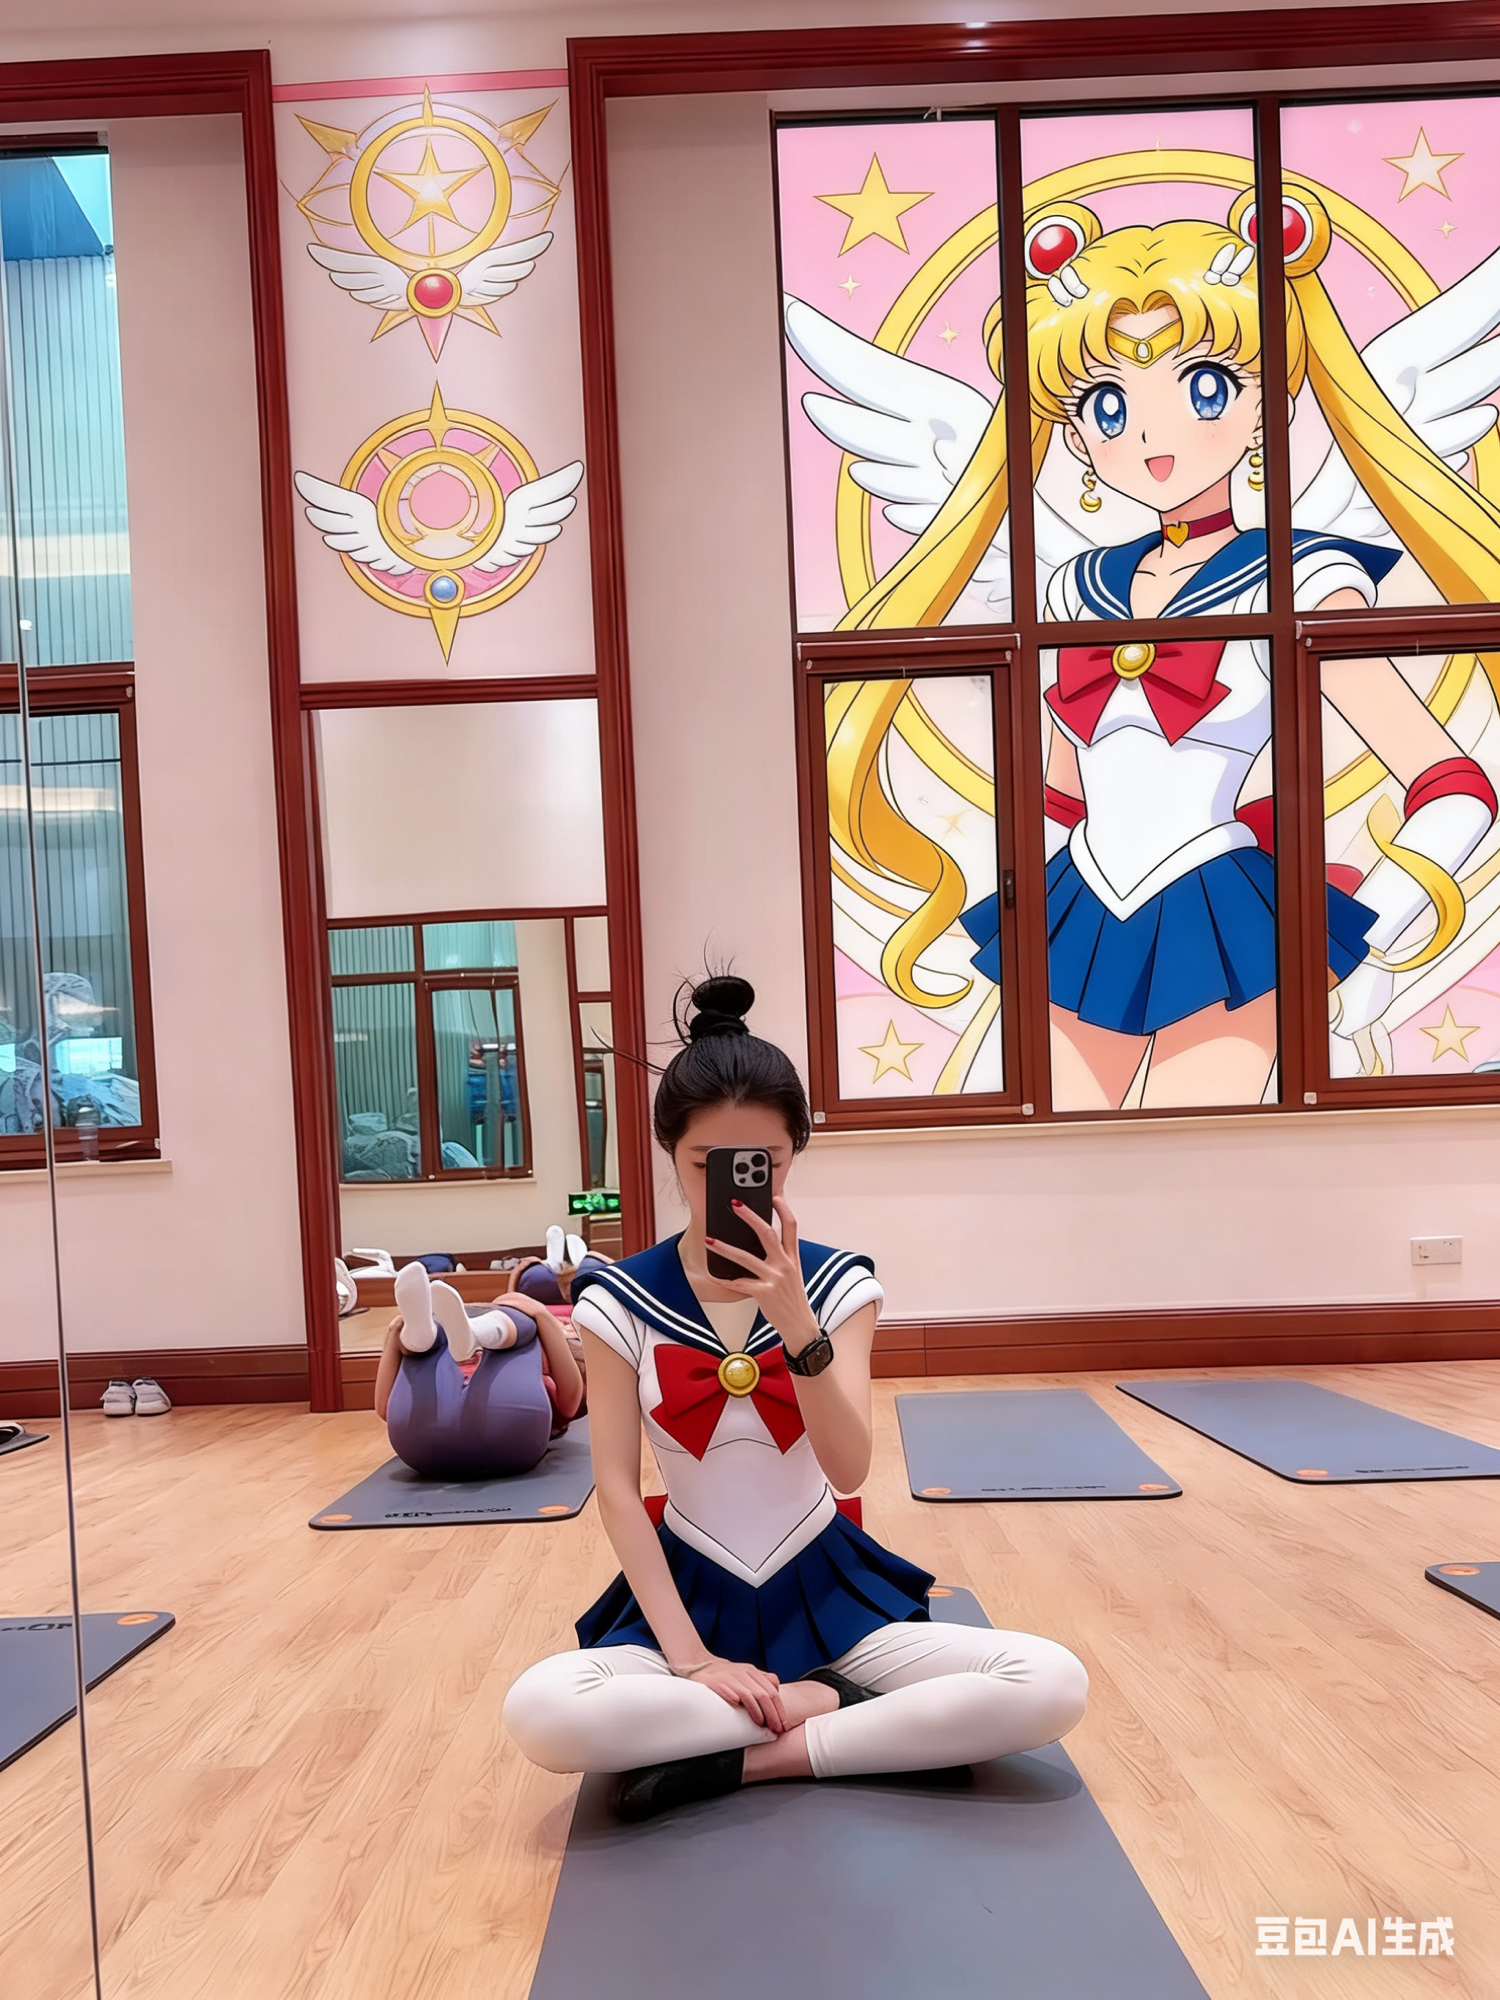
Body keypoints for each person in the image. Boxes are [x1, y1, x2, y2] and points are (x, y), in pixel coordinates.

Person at [789, 176, 1500, 1101]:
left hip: (1227, 913)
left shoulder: (1301, 576)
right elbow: (1059, 789)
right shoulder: (1074, 588)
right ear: (1078, 438)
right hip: (1080, 907)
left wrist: (1377, 928)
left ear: (1266, 405)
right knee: (1053, 1163)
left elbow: (1453, 786)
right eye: (1108, 405)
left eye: (1204, 387)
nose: (1151, 433)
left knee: (1197, 1159)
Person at [503, 974, 1087, 1820]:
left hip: (829, 1596)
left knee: (1050, 1682)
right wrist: (693, 1661)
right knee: (543, 1713)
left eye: (763, 1166)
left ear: (792, 1156)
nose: (735, 1186)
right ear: (671, 1152)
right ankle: (835, 1710)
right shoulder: (618, 1301)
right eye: (706, 1166)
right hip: (686, 1598)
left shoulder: (841, 1286)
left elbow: (849, 1470)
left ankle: (759, 1757)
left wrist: (794, 1319)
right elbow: (620, 1492)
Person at [374, 1262, 584, 1480]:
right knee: (449, 1337)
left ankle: (421, 1339)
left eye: (568, 1328)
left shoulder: (545, 1356)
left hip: (418, 1446)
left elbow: (384, 1408)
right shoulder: (532, 1374)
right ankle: (434, 1335)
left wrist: (395, 1330)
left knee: (524, 1322)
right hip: (509, 1445)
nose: (564, 1325)